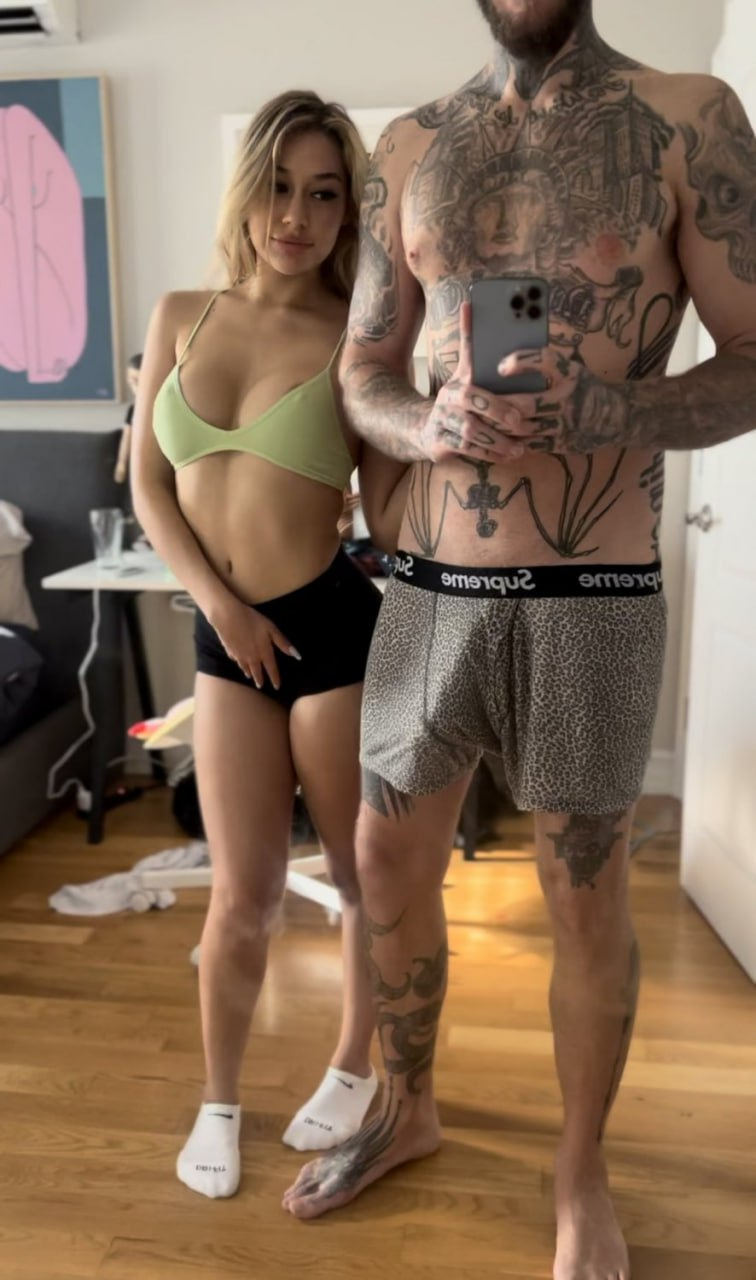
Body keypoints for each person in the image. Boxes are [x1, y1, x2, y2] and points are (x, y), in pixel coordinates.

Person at [283, 5, 756, 1279]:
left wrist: (614, 405)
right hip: (429, 581)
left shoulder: (689, 117)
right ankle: (406, 1105)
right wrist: (424, 424)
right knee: (384, 860)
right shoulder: (409, 144)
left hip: (593, 582)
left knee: (582, 888)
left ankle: (579, 1171)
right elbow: (363, 371)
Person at [131, 90, 409, 1201]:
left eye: (325, 194)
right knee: (239, 893)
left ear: (349, 212)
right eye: (281, 187)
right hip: (227, 637)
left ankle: (353, 1062)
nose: (297, 215)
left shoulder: (357, 334)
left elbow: (390, 508)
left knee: (355, 877)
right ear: (248, 190)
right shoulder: (179, 314)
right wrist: (220, 605)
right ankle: (219, 1100)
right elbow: (151, 489)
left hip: (333, 632)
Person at [114, 352, 142, 484]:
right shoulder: (133, 410)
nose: (133, 384)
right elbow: (127, 437)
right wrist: (121, 463)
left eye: (137, 380)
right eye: (131, 381)